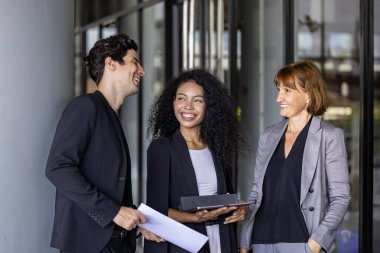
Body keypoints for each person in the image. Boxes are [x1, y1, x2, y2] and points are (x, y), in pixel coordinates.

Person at [46, 33, 153, 253]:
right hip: (90, 244)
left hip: (114, 243)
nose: (142, 71)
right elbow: (58, 167)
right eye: (135, 62)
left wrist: (137, 220)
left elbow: (108, 184)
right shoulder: (85, 107)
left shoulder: (110, 116)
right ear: (111, 63)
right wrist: (113, 212)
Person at [239, 60, 351, 253]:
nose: (278, 98)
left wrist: (316, 243)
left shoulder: (329, 136)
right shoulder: (268, 136)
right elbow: (256, 193)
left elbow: (341, 198)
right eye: (278, 89)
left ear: (308, 95)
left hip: (302, 242)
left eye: (287, 90)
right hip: (260, 242)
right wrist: (244, 242)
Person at [144, 69, 247, 253]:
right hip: (184, 245)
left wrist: (239, 208)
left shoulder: (218, 147)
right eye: (182, 98)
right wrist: (194, 218)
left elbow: (224, 198)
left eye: (197, 100)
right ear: (173, 102)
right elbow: (156, 211)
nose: (188, 106)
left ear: (209, 106)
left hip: (222, 241)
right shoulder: (161, 149)